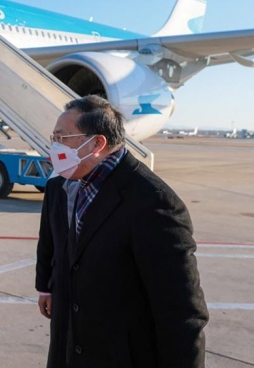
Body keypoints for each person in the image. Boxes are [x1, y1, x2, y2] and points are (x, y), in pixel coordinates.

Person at [35, 95, 209, 367]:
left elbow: (181, 312)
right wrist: (46, 286)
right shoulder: (61, 185)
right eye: (54, 137)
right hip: (69, 347)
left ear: (96, 144)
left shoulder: (153, 202)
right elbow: (50, 241)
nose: (55, 146)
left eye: (63, 137)